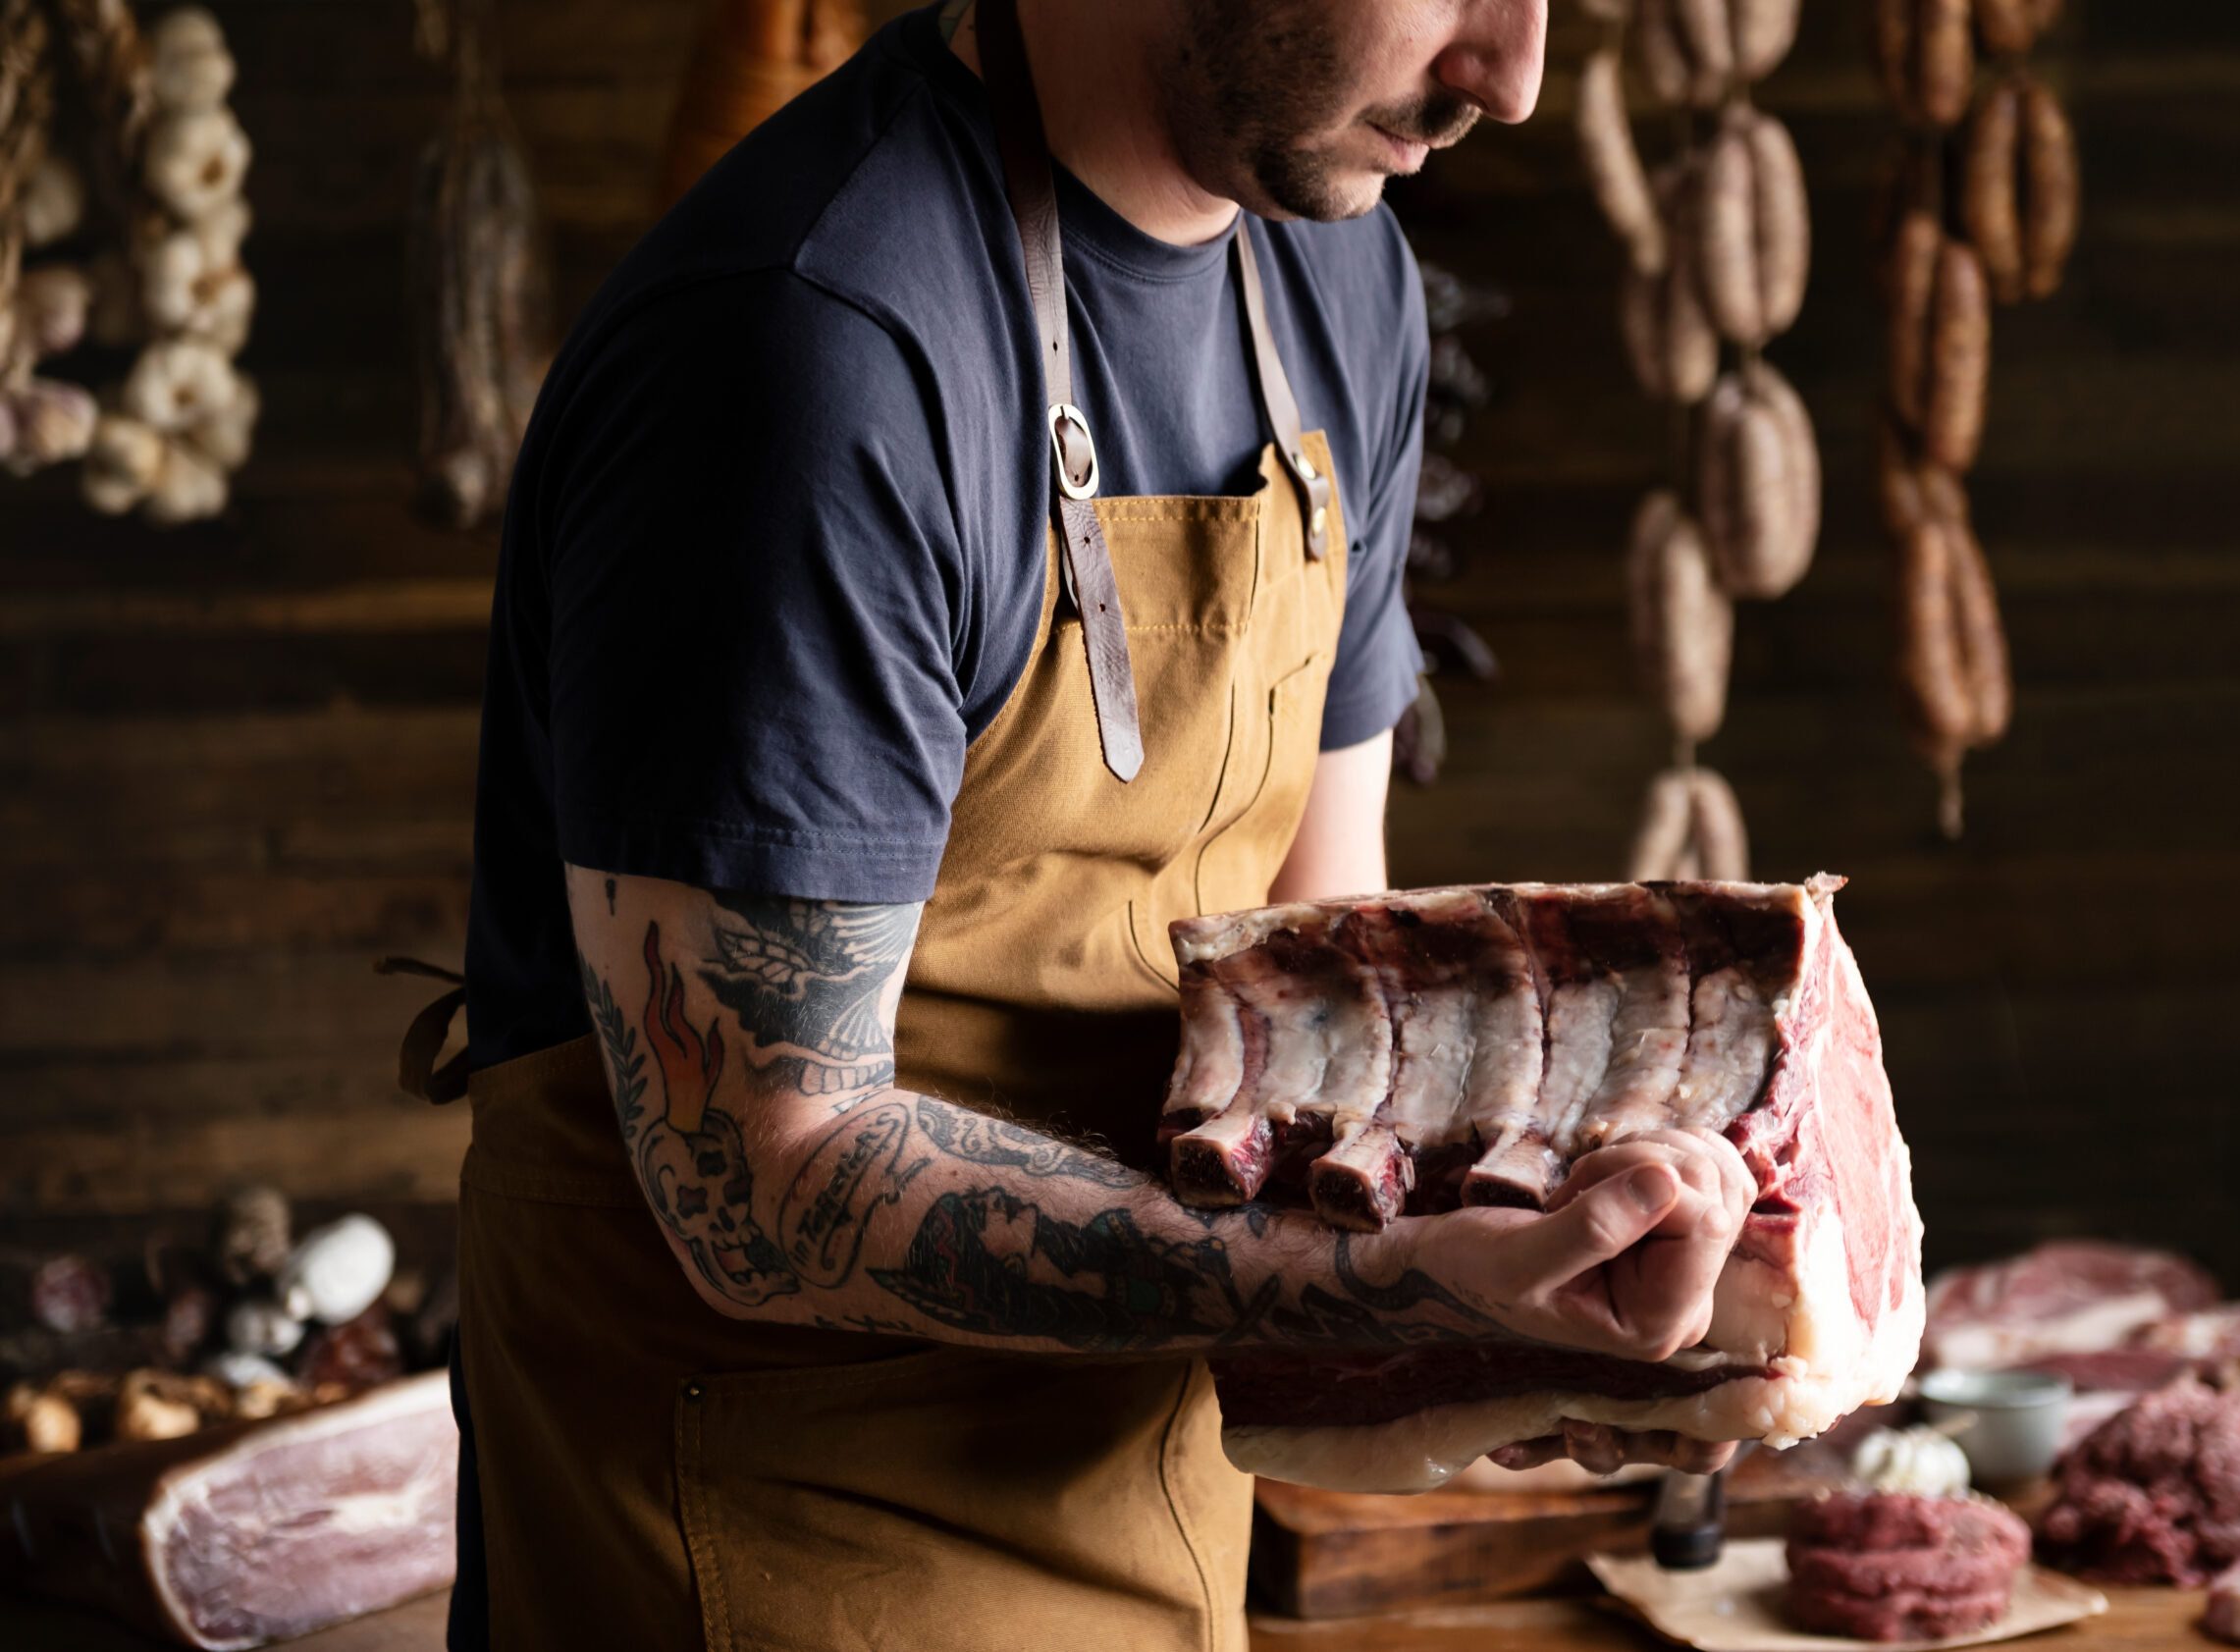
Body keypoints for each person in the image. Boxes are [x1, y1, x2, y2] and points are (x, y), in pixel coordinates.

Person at [432, 1, 1754, 1646]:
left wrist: (1508, 1297)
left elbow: (1334, 999)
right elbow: (764, 1188)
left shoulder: (1341, 274)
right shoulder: (812, 345)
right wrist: (1374, 1289)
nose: (1514, 74)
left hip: (1156, 1507)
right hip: (766, 1544)